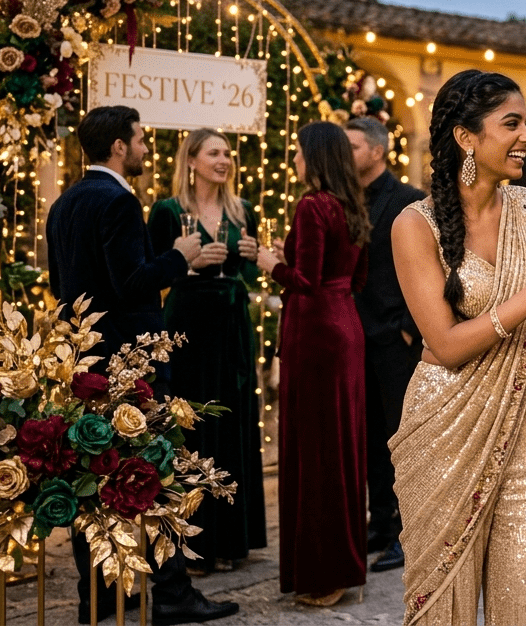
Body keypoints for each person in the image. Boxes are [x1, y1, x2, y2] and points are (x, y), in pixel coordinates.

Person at [389, 69, 526, 625]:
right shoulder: (415, 225)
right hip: (443, 424)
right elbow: (448, 345)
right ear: (465, 137)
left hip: (525, 428)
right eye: (512, 123)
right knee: (444, 607)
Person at [46, 106, 239, 625]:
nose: (145, 149)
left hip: (82, 361)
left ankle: (101, 593)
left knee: (93, 475)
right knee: (154, 472)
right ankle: (173, 594)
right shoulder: (119, 202)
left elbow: (59, 285)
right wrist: (179, 256)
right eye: (139, 139)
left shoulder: (63, 204)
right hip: (129, 363)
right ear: (117, 147)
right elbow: (132, 281)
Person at [257, 121, 371, 607]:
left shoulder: (312, 206)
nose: (294, 160)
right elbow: (357, 278)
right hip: (346, 327)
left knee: (317, 453)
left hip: (317, 336)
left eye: (299, 152)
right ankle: (339, 565)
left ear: (315, 157)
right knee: (341, 449)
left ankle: (325, 573)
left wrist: (267, 263)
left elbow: (303, 279)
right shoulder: (353, 206)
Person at [146, 128, 267, 575]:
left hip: (231, 322)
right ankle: (192, 539)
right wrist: (188, 263)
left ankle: (231, 541)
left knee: (232, 418)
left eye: (228, 153)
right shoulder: (167, 211)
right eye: (214, 152)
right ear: (191, 160)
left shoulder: (242, 210)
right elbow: (151, 274)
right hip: (187, 321)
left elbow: (249, 276)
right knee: (191, 422)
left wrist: (252, 260)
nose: (225, 159)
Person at [344, 116, 426, 573]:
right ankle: (378, 525)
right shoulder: (343, 198)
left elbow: (435, 267)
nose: (346, 154)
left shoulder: (410, 200)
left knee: (401, 438)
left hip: (396, 337)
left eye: (353, 147)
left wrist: (410, 325)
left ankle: (405, 532)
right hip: (354, 337)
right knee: (370, 438)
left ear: (377, 151)